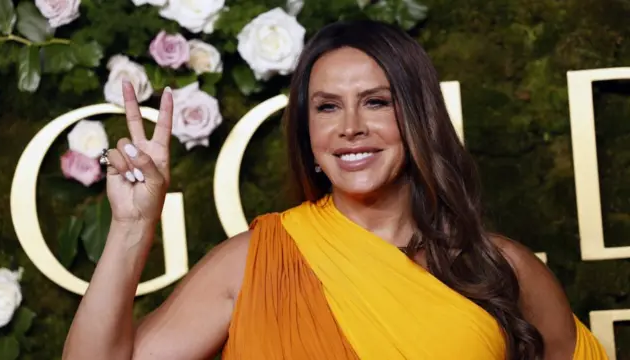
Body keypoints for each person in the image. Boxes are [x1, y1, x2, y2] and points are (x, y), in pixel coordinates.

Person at [62, 20, 607, 360]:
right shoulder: (255, 263)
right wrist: (133, 227)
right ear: (308, 131)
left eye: (376, 101)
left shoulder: (498, 267)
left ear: (417, 116)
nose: (350, 127)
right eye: (327, 106)